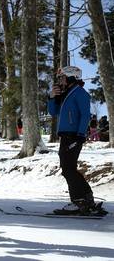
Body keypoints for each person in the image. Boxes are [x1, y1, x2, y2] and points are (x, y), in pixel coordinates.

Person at [48, 66, 107, 216]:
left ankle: (80, 201)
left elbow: (85, 115)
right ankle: (85, 199)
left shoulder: (80, 93)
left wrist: (80, 135)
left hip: (73, 136)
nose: (60, 81)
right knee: (69, 169)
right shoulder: (65, 94)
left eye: (62, 78)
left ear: (71, 78)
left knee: (68, 169)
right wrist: (52, 97)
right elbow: (53, 112)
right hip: (66, 136)